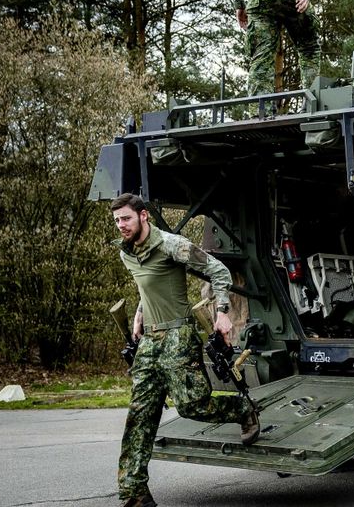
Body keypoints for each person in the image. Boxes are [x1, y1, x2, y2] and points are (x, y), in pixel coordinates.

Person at [111, 193, 259, 507]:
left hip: (178, 338)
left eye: (125, 218)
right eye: (117, 220)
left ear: (143, 216)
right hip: (149, 344)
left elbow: (219, 271)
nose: (121, 225)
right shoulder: (126, 252)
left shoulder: (172, 245)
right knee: (140, 417)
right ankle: (133, 494)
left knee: (193, 406)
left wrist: (221, 312)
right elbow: (149, 284)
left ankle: (243, 410)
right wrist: (140, 313)